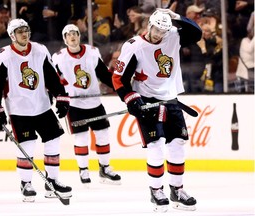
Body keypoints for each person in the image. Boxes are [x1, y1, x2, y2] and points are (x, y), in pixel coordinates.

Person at [112, 9, 201, 212]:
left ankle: (177, 190)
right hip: (147, 101)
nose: (159, 34)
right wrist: (131, 99)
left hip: (170, 99)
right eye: (157, 29)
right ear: (149, 25)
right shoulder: (134, 46)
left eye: (163, 30)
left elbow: (196, 33)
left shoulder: (173, 37)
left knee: (178, 143)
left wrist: (176, 17)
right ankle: (156, 191)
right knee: (156, 144)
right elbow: (118, 78)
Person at [0, 18, 72, 202]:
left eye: (26, 30)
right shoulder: (3, 55)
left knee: (54, 139)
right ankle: (26, 183)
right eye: (20, 31)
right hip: (19, 109)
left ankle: (53, 181)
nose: (24, 34)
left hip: (42, 105)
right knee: (27, 145)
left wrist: (61, 97)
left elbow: (52, 76)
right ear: (12, 35)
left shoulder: (40, 50)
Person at [52, 24, 121, 186]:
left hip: (95, 103)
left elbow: (103, 74)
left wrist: (120, 87)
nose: (72, 36)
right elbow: (54, 80)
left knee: (103, 134)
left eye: (75, 33)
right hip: (75, 105)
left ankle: (104, 168)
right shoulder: (59, 57)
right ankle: (83, 169)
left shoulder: (91, 52)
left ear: (79, 35)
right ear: (64, 39)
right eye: (68, 34)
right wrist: (60, 97)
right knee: (81, 137)